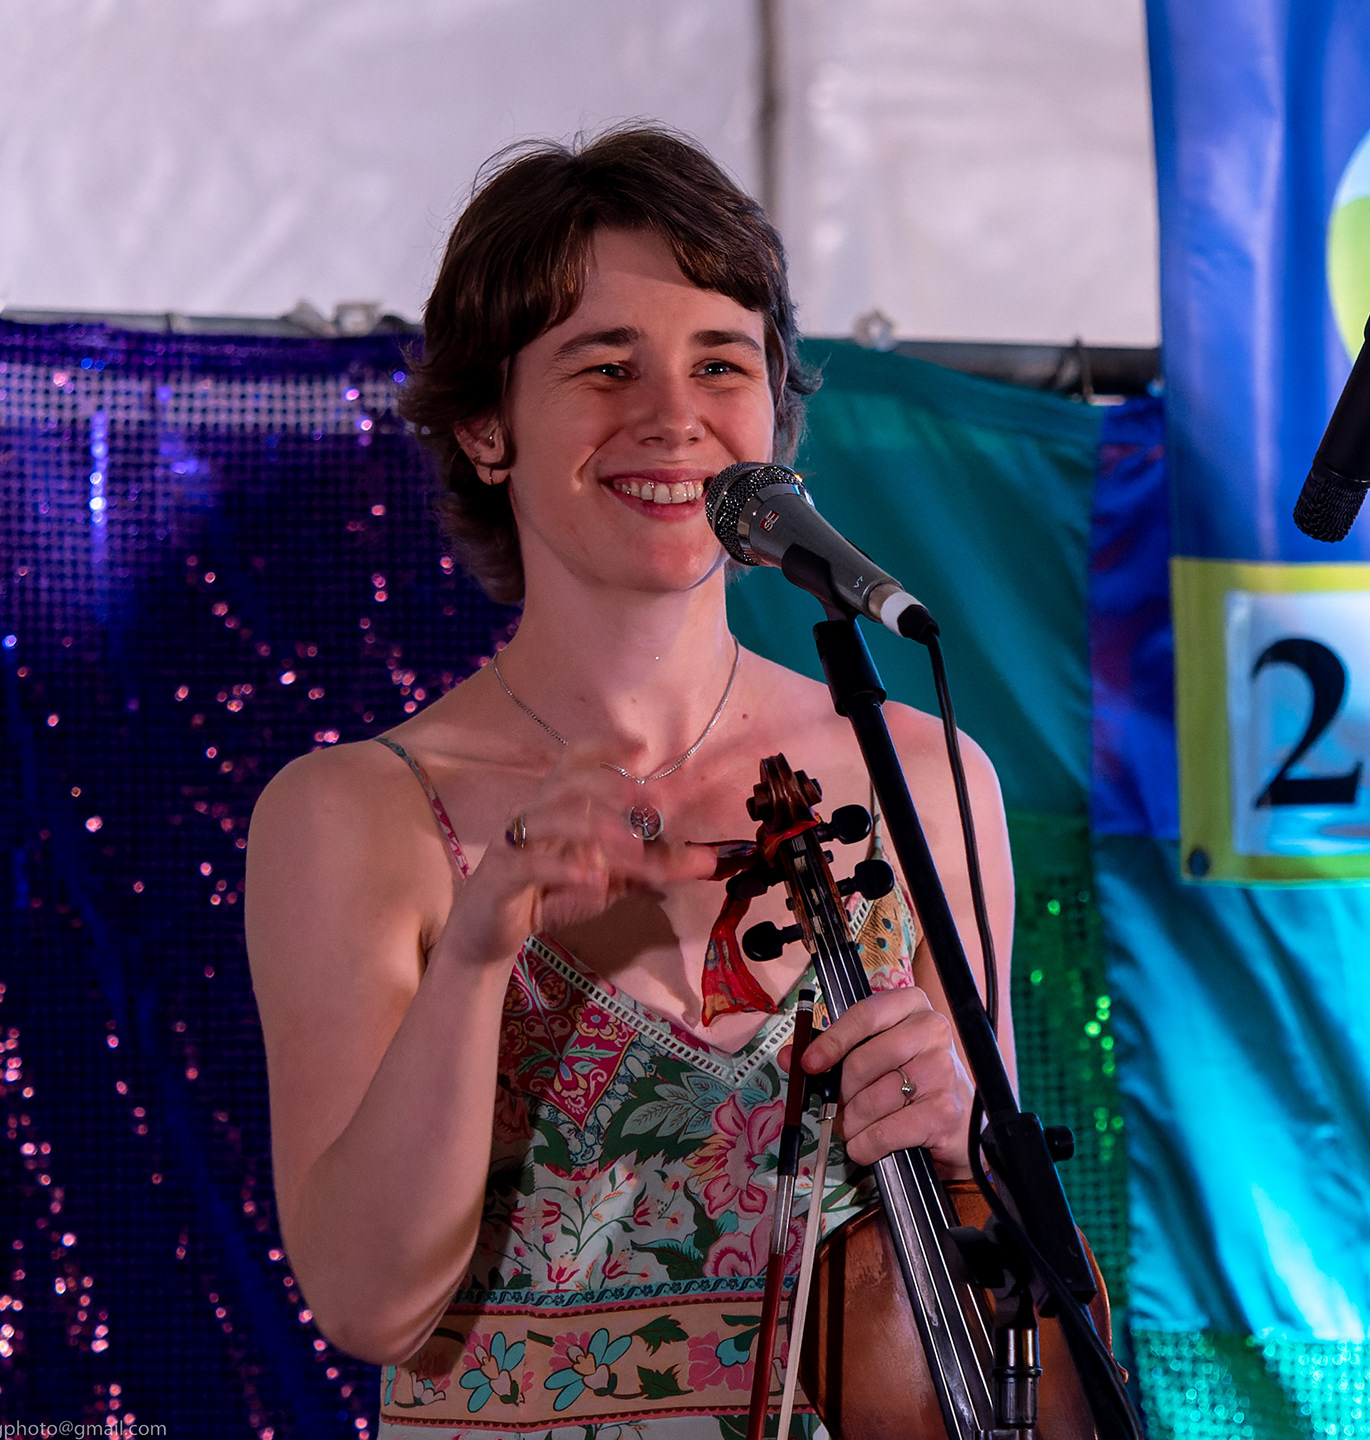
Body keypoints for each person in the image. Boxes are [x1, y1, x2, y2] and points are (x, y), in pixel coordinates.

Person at [245, 126, 1015, 1438]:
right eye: (606, 367)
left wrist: (962, 1127)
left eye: (721, 363)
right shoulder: (355, 814)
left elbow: (988, 1257)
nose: (673, 417)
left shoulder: (927, 775)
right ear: (486, 429)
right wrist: (477, 951)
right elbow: (371, 1305)